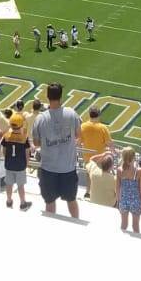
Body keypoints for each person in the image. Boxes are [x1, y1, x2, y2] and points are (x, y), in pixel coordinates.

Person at [31, 82, 81, 216]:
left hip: (49, 169)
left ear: (47, 97)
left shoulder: (41, 118)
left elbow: (36, 143)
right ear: (61, 97)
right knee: (71, 200)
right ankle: (76, 223)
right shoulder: (71, 113)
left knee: (50, 202)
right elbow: (77, 134)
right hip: (68, 168)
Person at [116, 146, 141, 234]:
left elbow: (117, 187)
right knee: (135, 226)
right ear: (134, 157)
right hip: (136, 201)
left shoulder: (119, 170)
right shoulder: (139, 171)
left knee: (124, 225)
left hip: (124, 200)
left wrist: (119, 201)